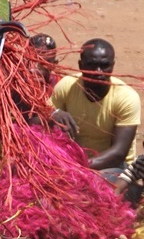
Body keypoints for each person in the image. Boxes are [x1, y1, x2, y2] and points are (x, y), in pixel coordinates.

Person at [51, 38, 140, 177]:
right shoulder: (67, 87)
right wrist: (52, 113)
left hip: (113, 168)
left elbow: (119, 153)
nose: (98, 71)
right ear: (81, 65)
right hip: (71, 164)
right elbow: (39, 122)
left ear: (113, 66)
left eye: (104, 65)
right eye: (91, 65)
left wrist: (76, 168)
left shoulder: (126, 97)